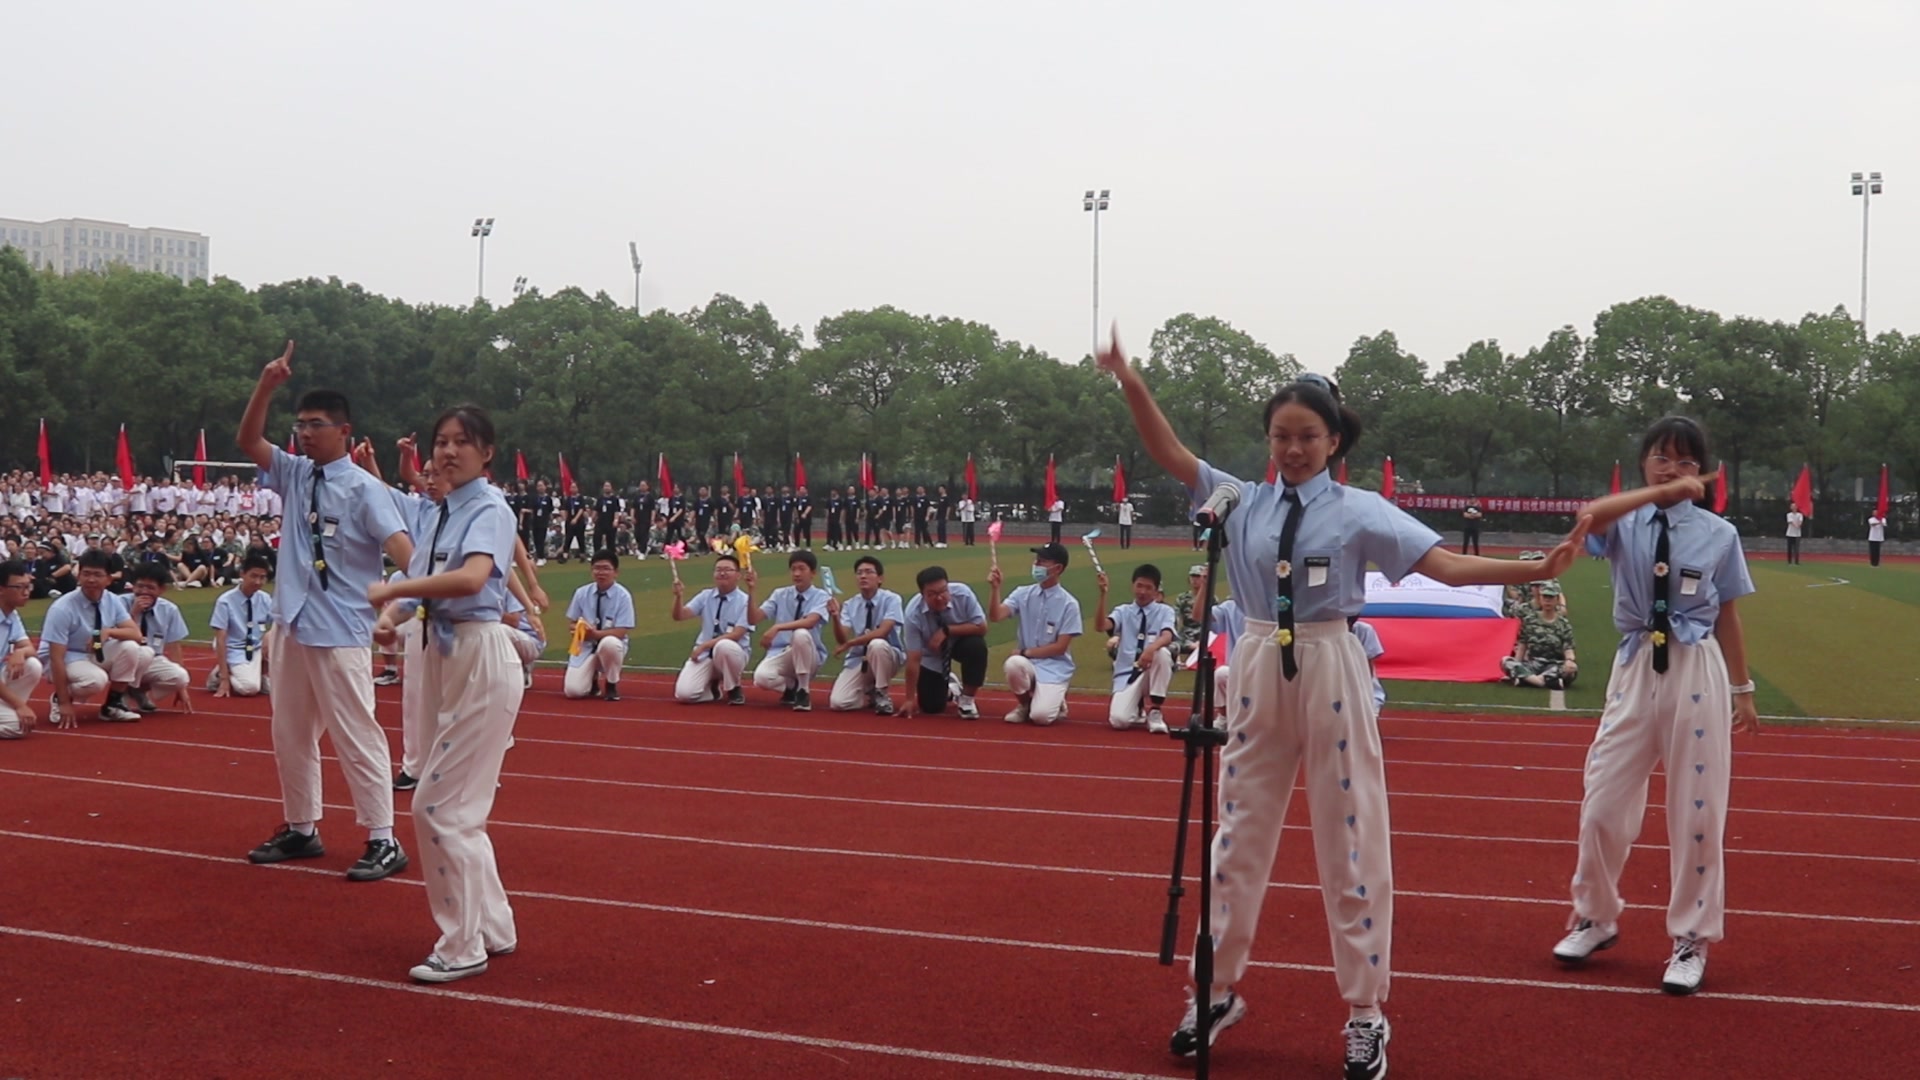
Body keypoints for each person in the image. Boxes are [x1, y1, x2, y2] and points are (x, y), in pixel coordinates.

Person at [1098, 332, 1588, 1079]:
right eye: (1281, 436)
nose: (1292, 449)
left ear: (1333, 440)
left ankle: (1365, 1012)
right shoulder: (1242, 500)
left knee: (1352, 840)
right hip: (1258, 660)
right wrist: (1130, 379)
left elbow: (1447, 564)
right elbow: (1167, 451)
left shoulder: (1361, 511)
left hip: (1331, 662)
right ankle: (1216, 990)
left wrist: (1533, 565)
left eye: (1307, 437)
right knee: (1236, 839)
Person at [1549, 416, 1757, 998]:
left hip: (1697, 669)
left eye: (1687, 462)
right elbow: (1588, 515)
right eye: (1662, 457)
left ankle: (1691, 937)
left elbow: (1729, 614)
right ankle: (1596, 915)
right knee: (1602, 801)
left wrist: (1743, 689)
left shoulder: (1718, 533)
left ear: (1703, 472)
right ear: (1644, 462)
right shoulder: (1624, 522)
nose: (1673, 469)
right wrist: (1660, 494)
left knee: (1698, 810)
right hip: (1636, 663)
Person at [236, 341, 416, 882]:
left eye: (315, 424)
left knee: (356, 731)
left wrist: (400, 606)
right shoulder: (293, 473)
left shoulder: (364, 488)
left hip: (340, 628)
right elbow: (248, 440)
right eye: (300, 425)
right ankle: (302, 826)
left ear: (344, 430)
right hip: (293, 621)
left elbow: (407, 555)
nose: (304, 433)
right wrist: (267, 385)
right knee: (289, 732)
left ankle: (382, 837)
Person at [368, 404, 523, 984]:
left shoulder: (488, 507)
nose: (448, 452)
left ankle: (461, 945)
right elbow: (429, 588)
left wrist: (396, 588)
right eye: (441, 442)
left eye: (463, 442)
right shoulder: (436, 512)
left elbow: (470, 579)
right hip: (438, 652)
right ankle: (494, 927)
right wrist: (395, 612)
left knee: (436, 806)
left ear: (487, 453)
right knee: (460, 808)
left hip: (478, 653)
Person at [39, 548, 149, 726]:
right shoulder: (62, 608)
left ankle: (113, 705)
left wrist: (108, 632)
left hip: (94, 650)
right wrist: (66, 702)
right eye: (86, 574)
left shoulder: (112, 600)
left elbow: (135, 634)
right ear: (78, 575)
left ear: (108, 578)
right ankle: (60, 697)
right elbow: (56, 656)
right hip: (68, 655)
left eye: (97, 575)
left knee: (138, 651)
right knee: (96, 681)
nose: (91, 580)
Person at [988, 542, 1082, 726]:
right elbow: (996, 616)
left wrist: (1025, 652)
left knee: (1041, 718)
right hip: (1028, 664)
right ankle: (1025, 704)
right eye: (1037, 560)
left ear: (1058, 568)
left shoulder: (1069, 604)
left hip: (1054, 667)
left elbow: (1060, 647)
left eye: (1043, 562)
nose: (1037, 565)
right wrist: (995, 589)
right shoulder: (1023, 594)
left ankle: (1056, 700)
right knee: (1013, 664)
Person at [900, 566, 988, 719]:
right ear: (922, 595)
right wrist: (909, 699)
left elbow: (981, 627)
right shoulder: (913, 614)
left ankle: (966, 700)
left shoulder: (963, 594)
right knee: (931, 707)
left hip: (961, 643)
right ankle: (951, 688)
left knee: (977, 647)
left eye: (943, 591)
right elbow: (913, 658)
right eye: (932, 594)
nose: (939, 598)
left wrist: (947, 630)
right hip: (932, 654)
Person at [671, 554, 757, 704]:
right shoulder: (705, 596)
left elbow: (737, 634)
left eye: (727, 570)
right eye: (718, 570)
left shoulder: (744, 601)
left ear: (738, 575)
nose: (722, 573)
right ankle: (712, 690)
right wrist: (678, 597)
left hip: (733, 654)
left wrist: (705, 644)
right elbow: (680, 616)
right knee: (684, 694)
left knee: (724, 646)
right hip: (706, 654)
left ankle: (734, 688)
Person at [1100, 563, 1176, 733]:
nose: (1142, 591)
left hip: (1151, 669)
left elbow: (1167, 636)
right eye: (1139, 586)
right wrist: (1103, 595)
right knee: (1119, 721)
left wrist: (1150, 650)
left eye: (1148, 588)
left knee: (1162, 653)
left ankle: (1155, 711)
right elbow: (1101, 626)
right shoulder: (1123, 611)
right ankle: (1137, 706)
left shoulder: (1165, 611)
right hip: (1127, 673)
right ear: (1132, 586)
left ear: (1156, 591)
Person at [753, 549, 830, 711]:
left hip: (809, 655)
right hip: (783, 652)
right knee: (761, 678)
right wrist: (752, 590)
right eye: (794, 569)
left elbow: (810, 622)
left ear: (813, 573)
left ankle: (803, 691)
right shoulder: (780, 594)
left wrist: (777, 627)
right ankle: (791, 686)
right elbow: (754, 618)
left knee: (800, 634)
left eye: (802, 569)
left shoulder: (822, 596)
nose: (797, 573)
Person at [827, 555, 905, 715]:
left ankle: (882, 694)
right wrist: (835, 616)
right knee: (839, 702)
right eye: (859, 573)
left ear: (880, 578)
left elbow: (883, 632)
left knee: (876, 644)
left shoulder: (892, 599)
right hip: (859, 659)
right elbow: (842, 638)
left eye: (869, 572)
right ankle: (868, 691)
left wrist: (850, 644)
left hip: (889, 655)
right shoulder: (850, 604)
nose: (863, 576)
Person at [563, 551, 635, 701]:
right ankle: (592, 680)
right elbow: (572, 622)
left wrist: (595, 634)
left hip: (610, 644)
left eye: (606, 568)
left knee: (610, 643)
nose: (601, 572)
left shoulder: (623, 596)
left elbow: (621, 631)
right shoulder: (581, 593)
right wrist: (577, 630)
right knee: (573, 691)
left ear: (616, 572)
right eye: (597, 568)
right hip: (586, 645)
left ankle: (611, 683)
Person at [125, 562, 193, 713]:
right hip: (120, 656)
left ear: (161, 590)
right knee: (139, 653)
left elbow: (174, 646)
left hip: (151, 658)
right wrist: (133, 613)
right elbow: (110, 636)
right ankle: (117, 695)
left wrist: (181, 689)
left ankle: (138, 691)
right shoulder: (118, 603)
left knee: (180, 677)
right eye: (140, 586)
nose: (144, 592)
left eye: (150, 588)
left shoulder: (169, 610)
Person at [210, 554, 275, 698]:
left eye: (262, 577)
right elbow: (221, 638)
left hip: (256, 646)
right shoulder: (225, 601)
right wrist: (225, 680)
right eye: (254, 576)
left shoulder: (265, 598)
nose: (258, 581)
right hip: (235, 648)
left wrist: (269, 635)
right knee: (249, 688)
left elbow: (278, 622)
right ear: (242, 574)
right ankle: (220, 674)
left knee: (281, 639)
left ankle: (260, 673)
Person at [1502, 581, 1578, 690]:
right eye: (1545, 597)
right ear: (1540, 598)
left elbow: (1568, 648)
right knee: (1506, 661)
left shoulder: (1563, 624)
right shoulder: (1530, 620)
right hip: (1533, 663)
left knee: (1571, 669)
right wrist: (1517, 662)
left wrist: (1569, 661)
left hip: (1554, 664)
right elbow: (1522, 645)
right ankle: (1542, 682)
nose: (1547, 600)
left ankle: (1526, 679)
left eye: (1551, 597)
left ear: (1557, 600)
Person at [1, 560, 43, 738]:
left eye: (28, 586)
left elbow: (29, 648)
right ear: (1, 589)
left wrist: (20, 652)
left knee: (32, 665)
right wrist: (20, 705)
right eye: (20, 587)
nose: (26, 592)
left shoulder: (11, 613)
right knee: (18, 726)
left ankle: (7, 710)